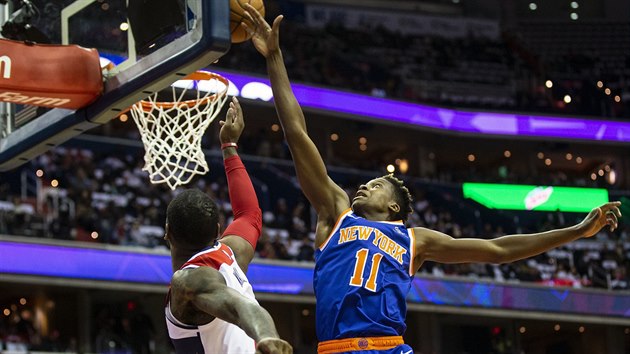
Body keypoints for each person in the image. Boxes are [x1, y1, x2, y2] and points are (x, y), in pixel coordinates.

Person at [241, 6, 623, 353]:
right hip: (335, 348)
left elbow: (499, 250)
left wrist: (575, 231)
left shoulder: (414, 239)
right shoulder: (335, 212)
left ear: (394, 206)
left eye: (376, 184)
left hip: (389, 346)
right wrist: (274, 58)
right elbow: (297, 134)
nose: (364, 185)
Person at [163, 97, 292, 354]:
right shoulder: (231, 254)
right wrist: (229, 145)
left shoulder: (189, 279)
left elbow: (240, 307)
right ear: (219, 231)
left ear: (167, 232)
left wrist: (267, 337)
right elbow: (249, 213)